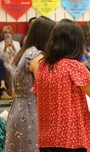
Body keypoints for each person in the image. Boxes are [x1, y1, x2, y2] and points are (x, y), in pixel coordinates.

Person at [34, 19, 90, 152]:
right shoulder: (73, 66)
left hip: (46, 140)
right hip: (71, 140)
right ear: (76, 43)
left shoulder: (43, 66)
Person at [5, 16, 56, 152]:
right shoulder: (36, 55)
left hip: (20, 108)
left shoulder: (26, 51)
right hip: (30, 111)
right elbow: (46, 85)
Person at [0, 25, 21, 96]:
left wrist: (13, 48)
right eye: (5, 32)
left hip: (15, 63)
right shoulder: (1, 44)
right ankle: (12, 92)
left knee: (14, 69)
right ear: (3, 34)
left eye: (9, 32)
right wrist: (5, 48)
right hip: (6, 64)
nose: (7, 34)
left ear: (11, 33)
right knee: (12, 71)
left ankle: (15, 92)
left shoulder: (16, 43)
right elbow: (1, 59)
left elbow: (19, 56)